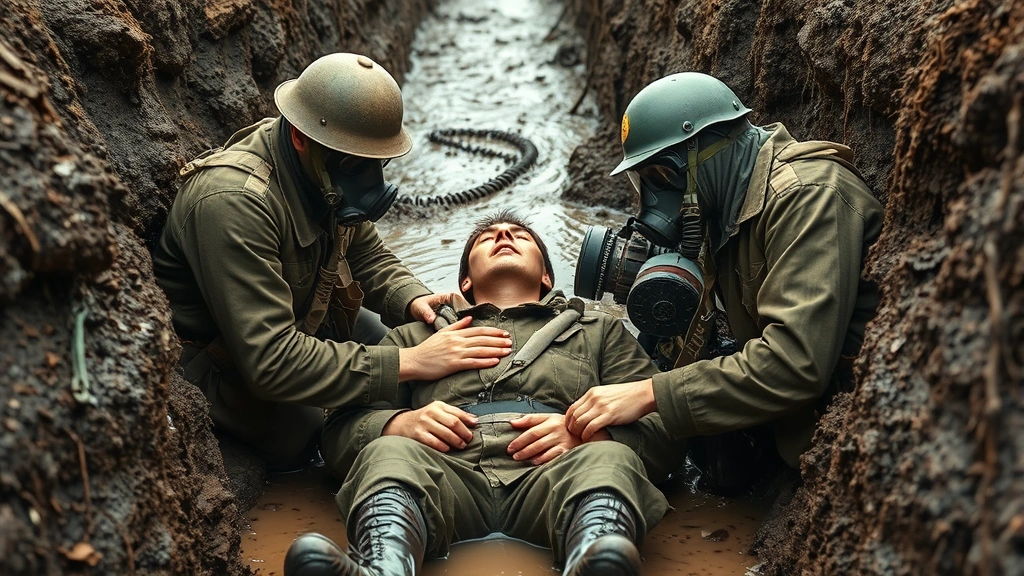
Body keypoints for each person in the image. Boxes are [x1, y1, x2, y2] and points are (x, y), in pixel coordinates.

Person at [152, 53, 512, 470]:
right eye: (354, 163)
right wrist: (409, 364)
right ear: (301, 138)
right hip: (220, 360)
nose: (369, 177)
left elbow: (366, 253)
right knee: (306, 437)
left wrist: (413, 299)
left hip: (303, 314)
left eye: (378, 160)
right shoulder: (234, 203)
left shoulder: (318, 169)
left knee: (408, 337)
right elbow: (271, 361)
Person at [284, 210, 684, 576]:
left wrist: (595, 434)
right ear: (465, 282)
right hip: (443, 476)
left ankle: (593, 561)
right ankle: (383, 567)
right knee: (389, 452)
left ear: (546, 276)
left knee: (608, 457)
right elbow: (336, 432)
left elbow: (660, 424)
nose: (504, 234)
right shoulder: (414, 338)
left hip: (556, 474)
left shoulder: (599, 331)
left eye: (520, 235)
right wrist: (398, 424)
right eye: (485, 237)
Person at [566, 72, 884, 471]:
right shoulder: (727, 207)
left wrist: (651, 394)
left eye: (662, 177)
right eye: (642, 181)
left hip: (848, 442)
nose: (655, 198)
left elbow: (795, 364)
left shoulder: (807, 197)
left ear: (707, 148)